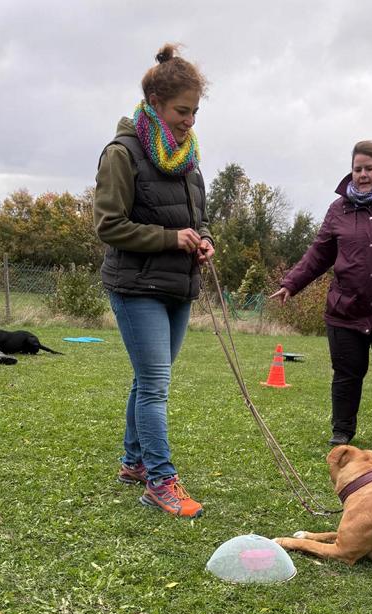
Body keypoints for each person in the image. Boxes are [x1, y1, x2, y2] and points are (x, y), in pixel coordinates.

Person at [93, 43, 214, 519]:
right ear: (156, 103)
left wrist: (203, 239)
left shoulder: (189, 159)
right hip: (135, 285)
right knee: (155, 385)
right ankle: (161, 481)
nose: (190, 121)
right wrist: (171, 238)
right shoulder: (122, 154)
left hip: (178, 286)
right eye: (183, 111)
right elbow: (109, 225)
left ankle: (133, 462)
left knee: (148, 380)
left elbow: (198, 218)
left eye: (195, 112)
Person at [270, 141, 372, 450]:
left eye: (369, 168)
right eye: (357, 169)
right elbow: (319, 252)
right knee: (347, 373)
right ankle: (342, 430)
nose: (362, 174)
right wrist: (292, 283)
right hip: (347, 308)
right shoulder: (338, 209)